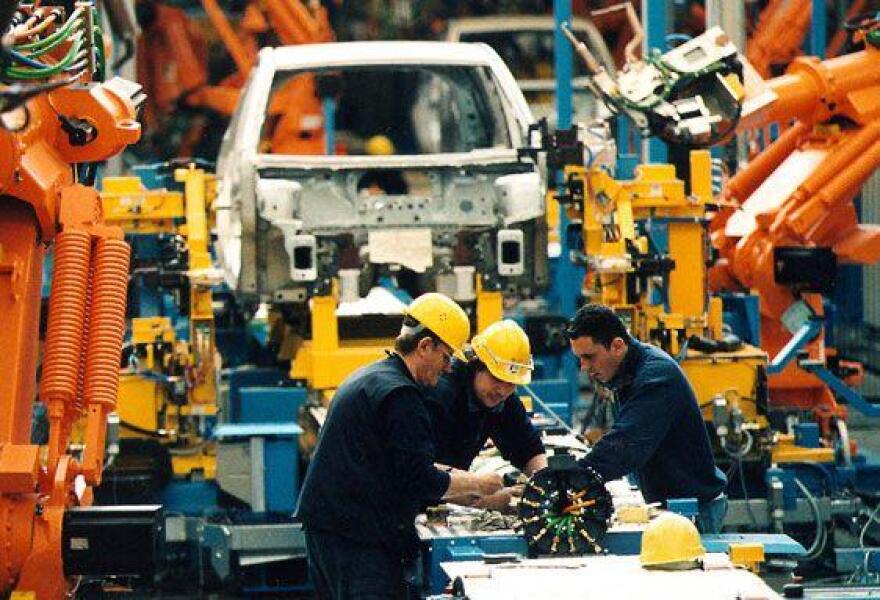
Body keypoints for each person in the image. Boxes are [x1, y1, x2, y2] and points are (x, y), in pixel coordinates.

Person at [296, 292, 504, 599]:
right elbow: (418, 478)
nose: (448, 369)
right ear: (425, 346)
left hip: (334, 531)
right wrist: (481, 485)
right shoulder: (401, 396)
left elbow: (401, 464)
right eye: (446, 357)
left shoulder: (376, 376)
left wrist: (471, 491)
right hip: (357, 540)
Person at [566, 304, 728, 533]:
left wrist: (572, 477)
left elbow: (626, 445)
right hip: (672, 506)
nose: (584, 368)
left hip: (694, 512)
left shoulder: (656, 376)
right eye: (579, 359)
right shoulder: (628, 372)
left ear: (617, 346)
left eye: (589, 357)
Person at [423, 319, 548, 510]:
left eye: (511, 383)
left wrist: (546, 485)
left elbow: (528, 449)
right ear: (476, 365)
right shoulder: (440, 394)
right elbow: (419, 474)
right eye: (497, 379)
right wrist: (485, 499)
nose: (503, 390)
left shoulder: (501, 398)